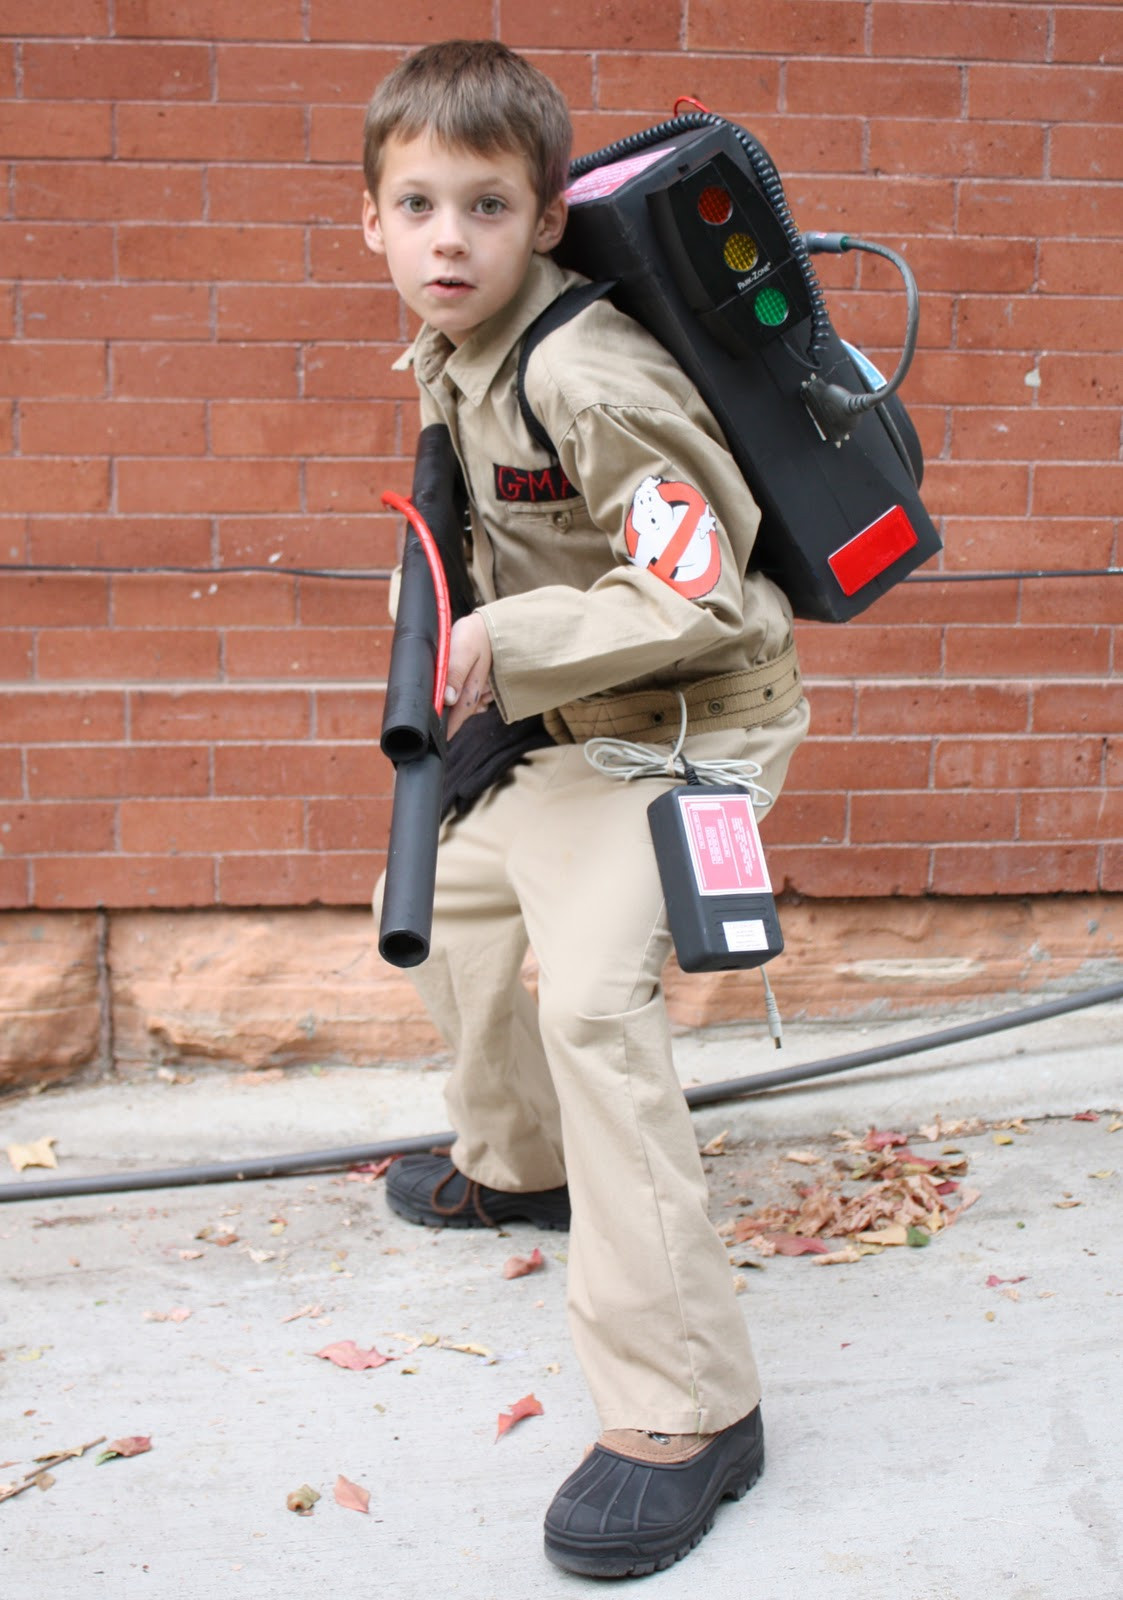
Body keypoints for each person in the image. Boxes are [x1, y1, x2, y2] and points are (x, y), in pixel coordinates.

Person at [363, 39, 809, 1578]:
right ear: (369, 221)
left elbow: (703, 585)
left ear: (546, 219)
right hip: (576, 713)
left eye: (485, 206)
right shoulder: (454, 345)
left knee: (598, 1011)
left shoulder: (579, 365)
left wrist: (511, 644)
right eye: (415, 203)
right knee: (457, 913)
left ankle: (690, 1409)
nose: (446, 239)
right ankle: (521, 1166)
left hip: (693, 725)